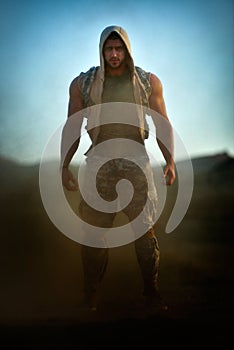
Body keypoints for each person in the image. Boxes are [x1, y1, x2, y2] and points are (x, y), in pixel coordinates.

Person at [60, 25, 176, 312]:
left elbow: (162, 122)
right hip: (99, 161)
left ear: (127, 50)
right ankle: (91, 297)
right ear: (102, 51)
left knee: (144, 230)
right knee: (94, 234)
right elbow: (72, 126)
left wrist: (170, 160)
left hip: (136, 159)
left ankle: (151, 293)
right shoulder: (84, 84)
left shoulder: (147, 82)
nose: (114, 54)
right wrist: (64, 164)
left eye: (119, 48)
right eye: (109, 49)